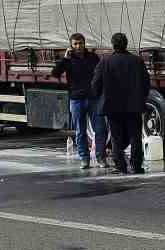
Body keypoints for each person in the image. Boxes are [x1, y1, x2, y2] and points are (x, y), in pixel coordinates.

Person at [92, 31, 151, 174]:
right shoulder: (137, 61)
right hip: (134, 106)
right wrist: (140, 98)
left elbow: (95, 84)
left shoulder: (105, 61)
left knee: (116, 137)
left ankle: (120, 166)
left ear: (113, 45)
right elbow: (146, 83)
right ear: (126, 44)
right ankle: (137, 166)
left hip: (112, 105)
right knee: (135, 136)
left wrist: (101, 97)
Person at [52, 33, 107, 170]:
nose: (78, 46)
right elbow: (55, 73)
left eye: (80, 43)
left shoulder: (93, 57)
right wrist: (65, 59)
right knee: (80, 131)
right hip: (76, 100)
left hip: (94, 98)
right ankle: (84, 159)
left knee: (100, 129)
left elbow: (101, 74)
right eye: (75, 44)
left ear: (84, 43)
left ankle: (100, 157)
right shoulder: (68, 59)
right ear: (71, 45)